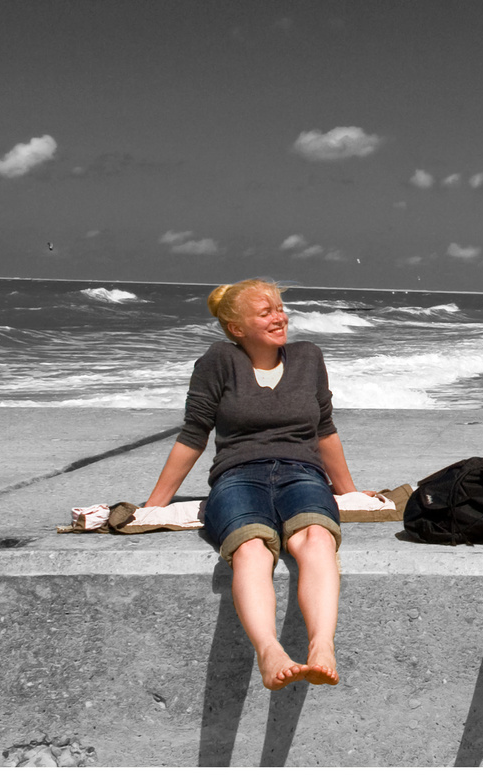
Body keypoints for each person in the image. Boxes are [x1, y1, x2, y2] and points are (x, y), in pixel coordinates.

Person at [141, 279, 365, 690]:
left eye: (280, 308)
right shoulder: (219, 361)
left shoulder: (308, 357)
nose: (280, 317)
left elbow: (325, 431)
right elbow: (194, 434)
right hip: (238, 474)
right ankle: (269, 651)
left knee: (315, 538)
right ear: (235, 327)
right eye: (266, 312)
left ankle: (322, 647)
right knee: (251, 546)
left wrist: (347, 491)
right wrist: (153, 506)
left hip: (303, 472)